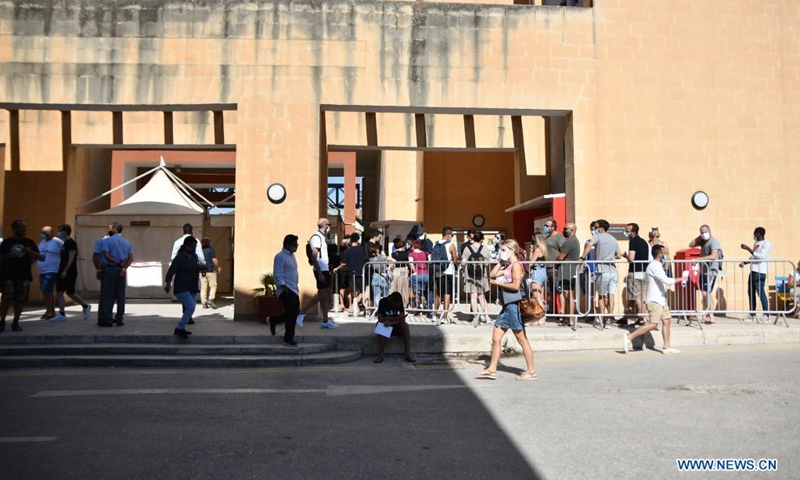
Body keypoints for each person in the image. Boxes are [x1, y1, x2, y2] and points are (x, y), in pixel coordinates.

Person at [475, 239, 538, 381]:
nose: (501, 252)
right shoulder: (509, 266)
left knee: (522, 340)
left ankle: (532, 371)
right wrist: (500, 262)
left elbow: (516, 286)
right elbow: (492, 274)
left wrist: (499, 283)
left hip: (513, 306)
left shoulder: (516, 265)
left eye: (504, 250)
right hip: (506, 307)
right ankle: (491, 369)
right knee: (496, 337)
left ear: (512, 250)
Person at [624, 245, 680, 355]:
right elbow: (666, 280)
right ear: (660, 254)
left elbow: (646, 285)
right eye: (664, 253)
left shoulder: (658, 266)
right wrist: (680, 279)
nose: (666, 255)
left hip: (661, 299)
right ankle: (629, 337)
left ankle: (667, 347)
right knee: (653, 324)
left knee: (667, 320)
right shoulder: (654, 266)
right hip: (655, 300)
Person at [0, 220, 41, 332]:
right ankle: (2, 321)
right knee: (6, 298)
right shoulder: (7, 242)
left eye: (25, 227)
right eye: (22, 227)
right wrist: (9, 255)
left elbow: (40, 257)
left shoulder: (29, 242)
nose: (25, 229)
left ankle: (16, 322)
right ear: (15, 229)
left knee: (20, 299)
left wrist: (29, 252)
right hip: (8, 274)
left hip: (23, 275)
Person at [581, 219, 621, 328]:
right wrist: (609, 257)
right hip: (612, 270)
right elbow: (619, 255)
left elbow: (590, 245)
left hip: (602, 270)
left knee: (601, 296)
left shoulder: (598, 236)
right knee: (611, 295)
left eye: (597, 227)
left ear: (601, 228)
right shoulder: (613, 239)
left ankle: (602, 318)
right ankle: (609, 319)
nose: (595, 229)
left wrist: (583, 257)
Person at [299, 218, 337, 329]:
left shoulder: (321, 238)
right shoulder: (316, 238)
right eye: (329, 224)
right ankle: (302, 312)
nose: (329, 227)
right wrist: (319, 272)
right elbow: (314, 256)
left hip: (324, 269)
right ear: (325, 226)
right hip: (320, 270)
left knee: (327, 293)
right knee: (322, 294)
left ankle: (325, 320)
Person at [164, 236, 201, 339]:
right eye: (192, 246)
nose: (194, 248)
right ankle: (179, 328)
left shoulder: (194, 257)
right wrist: (168, 283)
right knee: (190, 307)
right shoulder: (179, 258)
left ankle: (182, 327)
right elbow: (171, 270)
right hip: (182, 286)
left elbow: (196, 267)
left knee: (191, 309)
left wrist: (202, 268)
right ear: (186, 246)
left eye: (195, 246)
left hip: (192, 286)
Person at [99, 222, 134, 327]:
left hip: (111, 268)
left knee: (108, 294)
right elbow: (131, 258)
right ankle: (119, 318)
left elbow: (106, 255)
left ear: (114, 230)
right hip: (121, 270)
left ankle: (107, 318)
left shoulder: (107, 241)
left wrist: (117, 262)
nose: (108, 230)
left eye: (109, 228)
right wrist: (124, 267)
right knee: (120, 295)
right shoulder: (127, 242)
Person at [270, 234, 301, 346]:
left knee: (293, 312)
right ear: (288, 244)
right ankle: (288, 338)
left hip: (294, 288)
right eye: (294, 244)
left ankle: (274, 320)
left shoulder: (292, 256)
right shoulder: (280, 256)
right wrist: (284, 287)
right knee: (292, 313)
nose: (296, 246)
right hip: (286, 289)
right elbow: (277, 274)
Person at [55, 225, 91, 321]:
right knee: (59, 292)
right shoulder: (64, 243)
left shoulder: (71, 243)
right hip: (61, 270)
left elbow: (71, 258)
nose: (58, 232)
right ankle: (62, 314)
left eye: (60, 230)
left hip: (69, 271)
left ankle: (85, 306)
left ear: (65, 231)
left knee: (70, 292)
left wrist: (65, 270)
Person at [688, 224, 723, 324]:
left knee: (706, 293)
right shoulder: (702, 241)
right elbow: (690, 244)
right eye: (701, 232)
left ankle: (711, 315)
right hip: (703, 270)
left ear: (710, 231)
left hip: (711, 270)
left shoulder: (714, 241)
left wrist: (699, 259)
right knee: (704, 293)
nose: (703, 234)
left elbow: (713, 256)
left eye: (705, 232)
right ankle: (705, 313)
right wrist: (700, 237)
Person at [740, 227, 772, 322]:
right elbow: (754, 256)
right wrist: (745, 263)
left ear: (759, 234)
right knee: (750, 292)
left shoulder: (767, 244)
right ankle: (752, 314)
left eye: (755, 234)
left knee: (761, 292)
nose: (754, 236)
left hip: (760, 272)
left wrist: (748, 249)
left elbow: (761, 257)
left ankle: (767, 315)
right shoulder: (756, 244)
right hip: (753, 271)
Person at [374, 292, 415, 363]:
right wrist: (396, 318)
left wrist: (391, 322)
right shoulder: (383, 302)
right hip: (386, 324)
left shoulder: (400, 303)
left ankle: (407, 354)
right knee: (381, 326)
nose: (398, 306)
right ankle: (380, 355)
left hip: (394, 324)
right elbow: (380, 318)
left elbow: (402, 319)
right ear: (391, 302)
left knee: (405, 326)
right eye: (396, 305)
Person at [462, 231, 492, 327]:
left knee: (473, 297)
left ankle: (476, 317)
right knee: (482, 297)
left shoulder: (467, 249)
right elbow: (487, 263)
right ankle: (487, 317)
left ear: (473, 238)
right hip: (481, 276)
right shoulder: (485, 249)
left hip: (470, 276)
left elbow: (463, 262)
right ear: (482, 240)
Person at [334, 233, 367, 316]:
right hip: (361, 272)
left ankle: (354, 305)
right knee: (364, 290)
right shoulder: (362, 249)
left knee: (354, 291)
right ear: (358, 239)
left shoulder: (347, 251)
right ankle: (355, 305)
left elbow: (344, 263)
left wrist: (337, 268)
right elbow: (366, 259)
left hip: (352, 273)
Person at [37, 226, 65, 321]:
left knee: (47, 290)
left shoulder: (57, 242)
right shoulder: (42, 242)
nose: (43, 234)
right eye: (42, 232)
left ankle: (50, 311)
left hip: (52, 270)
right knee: (45, 291)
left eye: (45, 233)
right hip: (42, 271)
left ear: (51, 233)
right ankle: (50, 310)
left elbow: (64, 254)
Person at [555, 223, 580, 327]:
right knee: (567, 294)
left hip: (567, 270)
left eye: (566, 229)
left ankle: (570, 319)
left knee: (568, 294)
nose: (563, 230)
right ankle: (567, 318)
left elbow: (561, 257)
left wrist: (554, 263)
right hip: (568, 269)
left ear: (572, 230)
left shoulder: (570, 242)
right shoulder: (572, 241)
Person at [624, 223, 650, 322]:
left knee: (636, 297)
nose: (626, 232)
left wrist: (625, 256)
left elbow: (631, 258)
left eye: (627, 230)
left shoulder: (633, 241)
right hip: (644, 272)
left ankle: (642, 317)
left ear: (633, 232)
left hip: (635, 272)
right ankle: (639, 316)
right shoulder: (643, 242)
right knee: (642, 296)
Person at [432, 227, 458, 324]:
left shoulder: (435, 244)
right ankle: (445, 316)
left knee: (438, 294)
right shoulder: (451, 245)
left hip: (438, 271)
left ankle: (434, 315)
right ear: (449, 235)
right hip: (448, 271)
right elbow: (455, 259)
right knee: (447, 294)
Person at [543, 219, 565, 315]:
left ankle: (562, 311)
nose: (545, 227)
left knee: (558, 289)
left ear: (553, 227)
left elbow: (563, 251)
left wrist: (558, 263)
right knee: (549, 290)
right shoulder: (547, 237)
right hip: (546, 267)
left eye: (547, 226)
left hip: (555, 267)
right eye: (545, 225)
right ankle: (552, 310)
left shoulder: (559, 237)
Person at [528, 233, 548, 326]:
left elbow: (530, 263)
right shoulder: (544, 249)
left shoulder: (537, 250)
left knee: (536, 296)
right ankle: (541, 317)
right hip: (543, 272)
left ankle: (542, 316)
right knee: (541, 296)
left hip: (536, 272)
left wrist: (531, 251)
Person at [408, 240, 431, 310]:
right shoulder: (426, 253)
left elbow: (411, 263)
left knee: (417, 293)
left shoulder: (411, 254)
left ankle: (418, 308)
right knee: (424, 292)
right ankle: (426, 307)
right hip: (426, 274)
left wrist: (414, 271)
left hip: (417, 275)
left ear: (413, 246)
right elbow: (430, 262)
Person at [200, 238, 221, 309]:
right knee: (213, 286)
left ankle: (204, 303)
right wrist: (218, 266)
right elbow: (214, 259)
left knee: (203, 287)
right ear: (209, 243)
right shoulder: (210, 250)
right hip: (210, 270)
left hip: (202, 271)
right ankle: (211, 299)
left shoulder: (200, 251)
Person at [390, 238, 411, 307]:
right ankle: (404, 302)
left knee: (395, 286)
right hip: (403, 270)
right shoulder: (406, 254)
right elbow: (408, 263)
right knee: (403, 286)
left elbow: (389, 260)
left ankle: (394, 302)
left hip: (396, 270)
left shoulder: (393, 254)